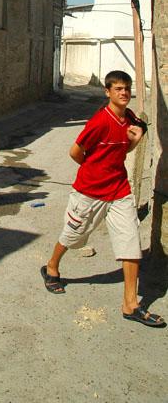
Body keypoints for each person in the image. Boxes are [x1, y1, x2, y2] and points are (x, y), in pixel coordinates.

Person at [41, 70, 165, 328]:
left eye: (126, 88)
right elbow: (75, 152)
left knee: (131, 241)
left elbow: (130, 142)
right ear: (107, 92)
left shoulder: (129, 118)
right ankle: (51, 266)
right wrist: (93, 168)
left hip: (119, 190)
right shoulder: (99, 122)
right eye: (118, 89)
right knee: (73, 236)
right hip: (89, 192)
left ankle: (130, 304)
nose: (124, 93)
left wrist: (136, 139)